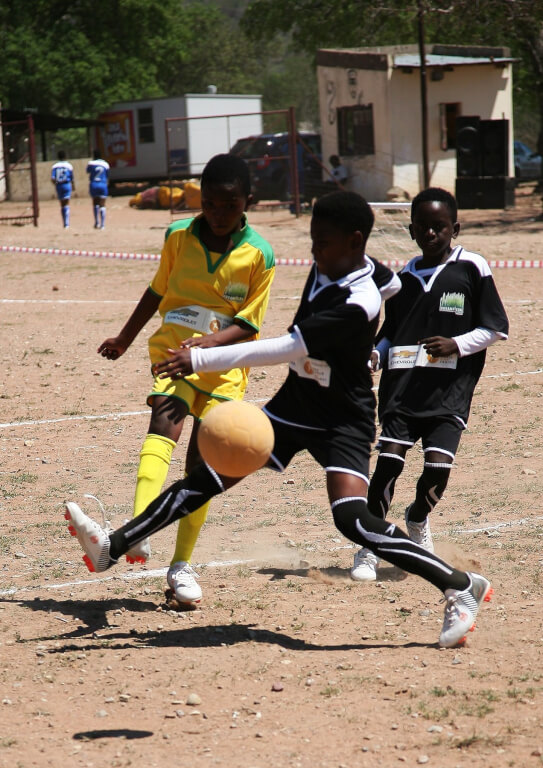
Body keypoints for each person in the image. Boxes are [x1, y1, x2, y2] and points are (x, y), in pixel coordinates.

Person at [66, 190, 493, 649]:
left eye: (322, 244)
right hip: (294, 406)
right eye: (312, 242)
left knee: (353, 518)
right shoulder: (350, 265)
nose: (314, 253)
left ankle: (460, 585)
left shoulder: (358, 302)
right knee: (210, 477)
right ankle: (112, 546)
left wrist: (200, 358)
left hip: (343, 418)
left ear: (351, 241)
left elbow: (287, 347)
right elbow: (388, 281)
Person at [96, 153, 275, 606]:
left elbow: (249, 326)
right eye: (210, 204)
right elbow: (157, 290)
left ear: (246, 203)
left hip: (224, 370)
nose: (217, 214)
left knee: (203, 465)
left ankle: (181, 567)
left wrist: (203, 351)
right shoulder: (178, 236)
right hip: (173, 357)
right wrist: (124, 337)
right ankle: (138, 529)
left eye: (228, 206)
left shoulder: (260, 253)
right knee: (164, 423)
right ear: (200, 201)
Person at [351, 187, 509, 583]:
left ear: (454, 228)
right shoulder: (404, 278)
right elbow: (390, 336)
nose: (431, 234)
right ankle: (369, 544)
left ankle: (417, 518)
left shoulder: (472, 268)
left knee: (438, 469)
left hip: (449, 394)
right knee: (387, 465)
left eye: (439, 227)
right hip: (401, 391)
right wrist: (374, 355)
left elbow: (495, 328)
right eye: (422, 227)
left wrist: (456, 343)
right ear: (411, 231)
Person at [86, 149, 110, 229]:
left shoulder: (91, 163)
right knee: (102, 204)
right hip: (103, 184)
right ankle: (103, 225)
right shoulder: (105, 164)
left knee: (95, 203)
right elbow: (107, 176)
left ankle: (96, 222)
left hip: (94, 184)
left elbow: (88, 171)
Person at [51, 150, 75, 229]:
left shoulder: (55, 166)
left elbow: (53, 178)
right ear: (65, 157)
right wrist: (73, 186)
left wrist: (55, 184)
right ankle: (67, 223)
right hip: (66, 184)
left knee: (62, 204)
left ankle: (64, 222)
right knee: (67, 203)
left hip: (59, 185)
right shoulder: (69, 165)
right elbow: (72, 178)